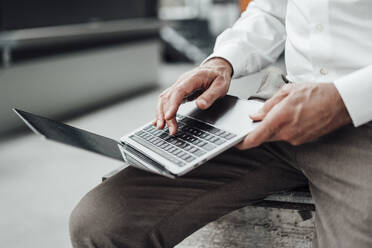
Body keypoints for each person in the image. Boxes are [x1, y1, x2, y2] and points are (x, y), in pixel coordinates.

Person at [69, 1, 372, 247]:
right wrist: (221, 61)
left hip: (363, 119)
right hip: (275, 106)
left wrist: (342, 99)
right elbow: (271, 11)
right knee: (102, 222)